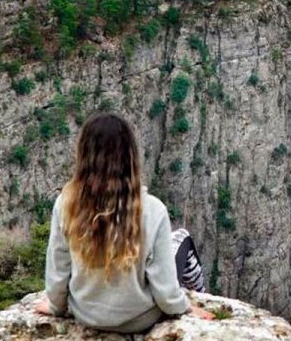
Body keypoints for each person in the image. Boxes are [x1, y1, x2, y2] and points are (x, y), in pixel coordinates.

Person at [34, 112, 214, 332]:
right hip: (140, 319)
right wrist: (184, 307)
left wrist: (55, 306)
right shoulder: (153, 210)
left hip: (87, 316)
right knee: (182, 239)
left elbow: (58, 267)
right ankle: (200, 292)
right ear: (130, 156)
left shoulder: (66, 205)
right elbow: (165, 291)